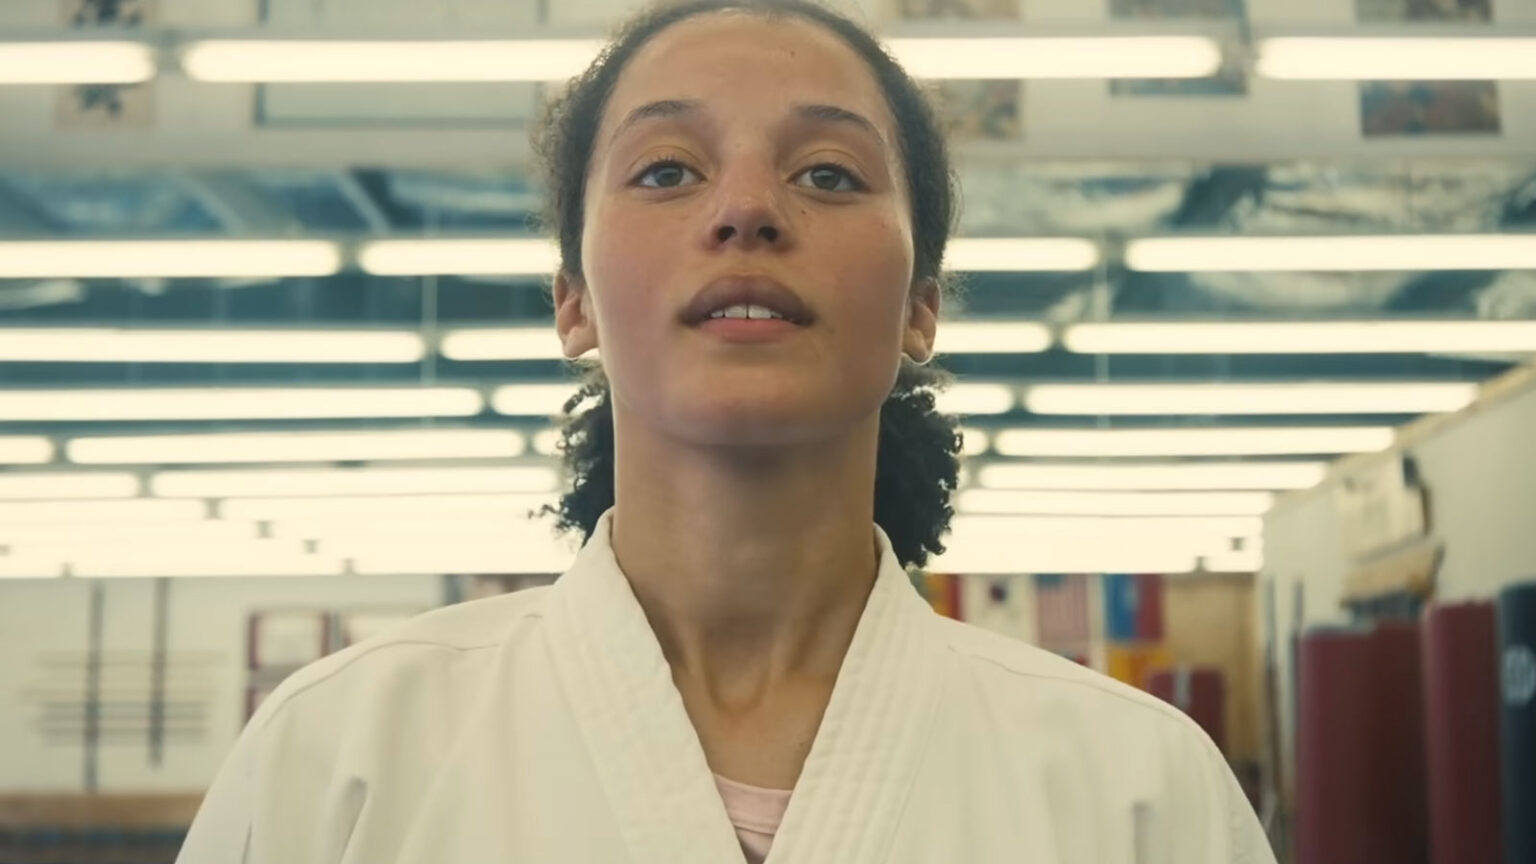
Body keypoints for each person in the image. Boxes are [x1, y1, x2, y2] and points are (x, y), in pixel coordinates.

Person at [176, 2, 1276, 862]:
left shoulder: (1140, 791)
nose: (746, 210)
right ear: (572, 300)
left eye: (828, 174)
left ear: (920, 307)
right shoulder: (340, 758)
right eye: (667, 171)